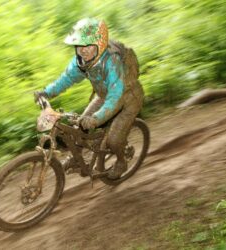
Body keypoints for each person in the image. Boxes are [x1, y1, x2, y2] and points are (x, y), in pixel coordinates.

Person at [34, 18, 144, 179]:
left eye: (87, 45)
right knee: (80, 127)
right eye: (79, 46)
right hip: (104, 96)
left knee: (114, 140)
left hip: (127, 99)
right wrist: (46, 93)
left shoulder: (111, 62)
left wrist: (96, 118)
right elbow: (66, 79)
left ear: (99, 45)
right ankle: (76, 159)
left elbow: (115, 95)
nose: (83, 50)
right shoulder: (81, 62)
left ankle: (121, 161)